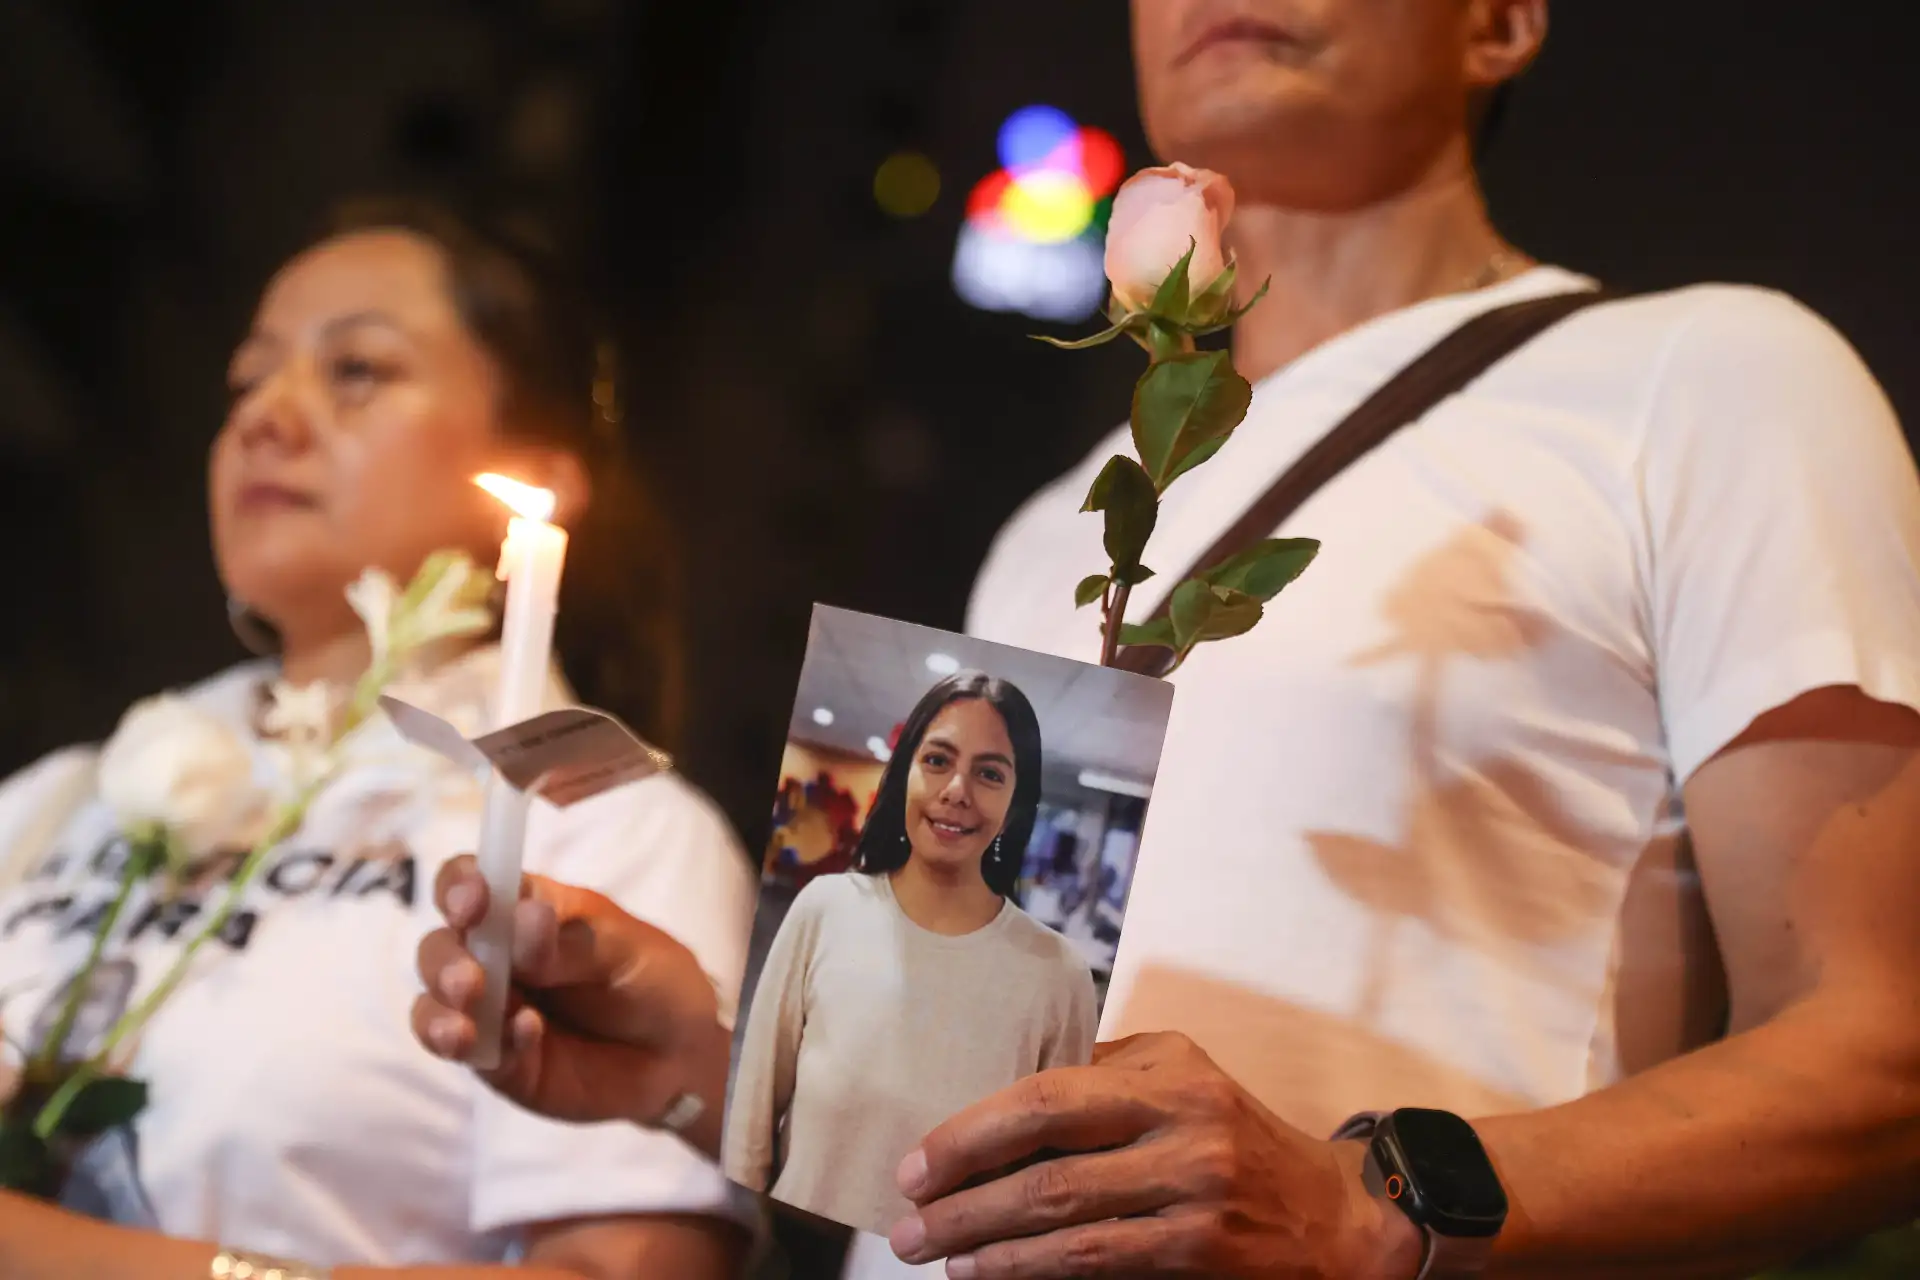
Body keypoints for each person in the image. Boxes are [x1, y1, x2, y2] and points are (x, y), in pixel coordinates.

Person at [414, 1, 1920, 1276]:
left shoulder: (1705, 379)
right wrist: (720, 1066)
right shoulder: (1043, 533)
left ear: (1503, 17)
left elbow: (1879, 1056)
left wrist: (1367, 1202)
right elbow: (976, 1091)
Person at [0, 198, 759, 1278]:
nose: (269, 414)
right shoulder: (60, 797)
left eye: (356, 369)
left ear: (538, 468)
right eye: (246, 379)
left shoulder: (602, 829)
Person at [722, 671, 1097, 1238]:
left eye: (989, 773)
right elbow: (752, 1114)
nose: (957, 791)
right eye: (938, 761)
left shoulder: (1056, 974)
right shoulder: (825, 908)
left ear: (1017, 802)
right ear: (905, 773)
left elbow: (1050, 1182)